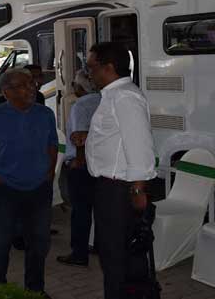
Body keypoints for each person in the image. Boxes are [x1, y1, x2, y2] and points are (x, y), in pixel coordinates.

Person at [0, 68, 58, 296]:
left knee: (39, 244)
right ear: (7, 91)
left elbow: (52, 143)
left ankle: (35, 290)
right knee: (1, 244)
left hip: (39, 189)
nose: (32, 88)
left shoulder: (44, 113)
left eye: (31, 83)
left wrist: (49, 171)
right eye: (24, 85)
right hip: (5, 190)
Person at [85, 42, 157, 299]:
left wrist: (138, 188)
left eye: (91, 67)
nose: (88, 73)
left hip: (119, 189)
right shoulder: (114, 95)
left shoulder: (125, 96)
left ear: (109, 67)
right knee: (112, 253)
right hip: (109, 187)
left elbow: (139, 143)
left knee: (116, 255)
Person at [56, 70, 100, 268]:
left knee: (80, 210)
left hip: (81, 164)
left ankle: (79, 253)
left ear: (79, 87)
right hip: (99, 163)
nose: (73, 87)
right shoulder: (102, 99)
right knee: (98, 208)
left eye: (74, 84)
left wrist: (79, 160)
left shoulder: (80, 105)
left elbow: (80, 136)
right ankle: (99, 245)